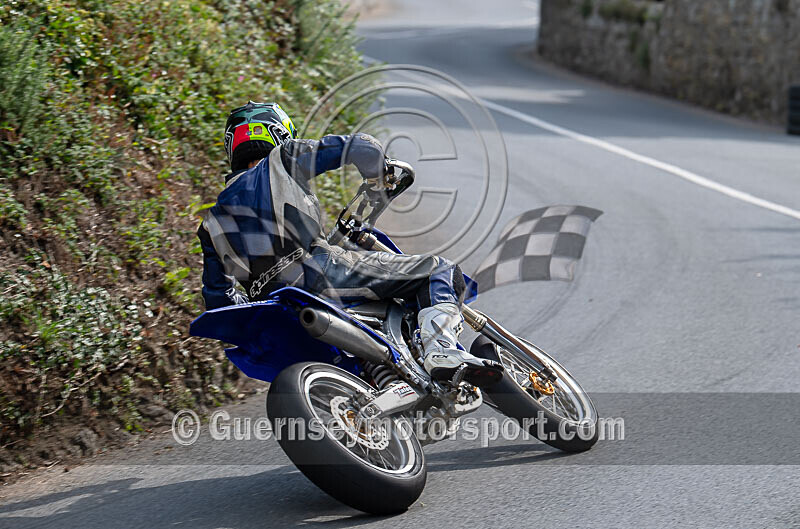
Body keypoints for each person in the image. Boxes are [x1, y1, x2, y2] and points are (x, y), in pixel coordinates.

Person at [198, 101, 500, 382]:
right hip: (319, 269)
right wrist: (377, 177)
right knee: (437, 270)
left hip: (276, 307)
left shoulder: (211, 223)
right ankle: (441, 349)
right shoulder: (283, 159)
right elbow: (361, 148)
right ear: (280, 132)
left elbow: (219, 300)